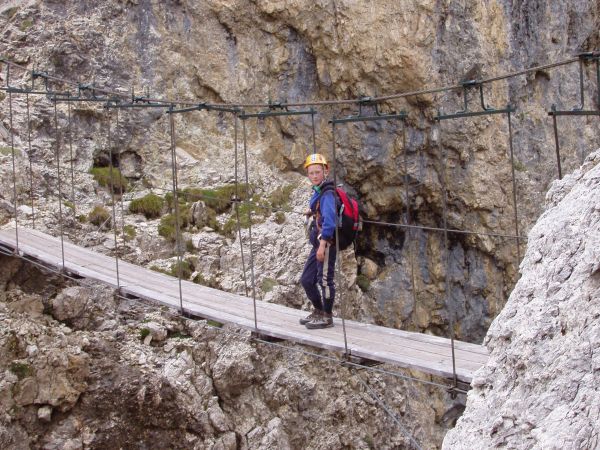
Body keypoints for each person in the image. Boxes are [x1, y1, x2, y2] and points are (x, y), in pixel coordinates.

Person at [299, 153, 337, 329]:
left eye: (317, 172)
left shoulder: (328, 193)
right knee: (307, 279)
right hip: (318, 243)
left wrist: (322, 245)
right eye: (311, 173)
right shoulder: (319, 190)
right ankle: (318, 310)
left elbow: (330, 221)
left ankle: (327, 316)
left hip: (326, 243)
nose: (314, 176)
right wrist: (312, 211)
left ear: (325, 171)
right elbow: (319, 209)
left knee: (325, 280)